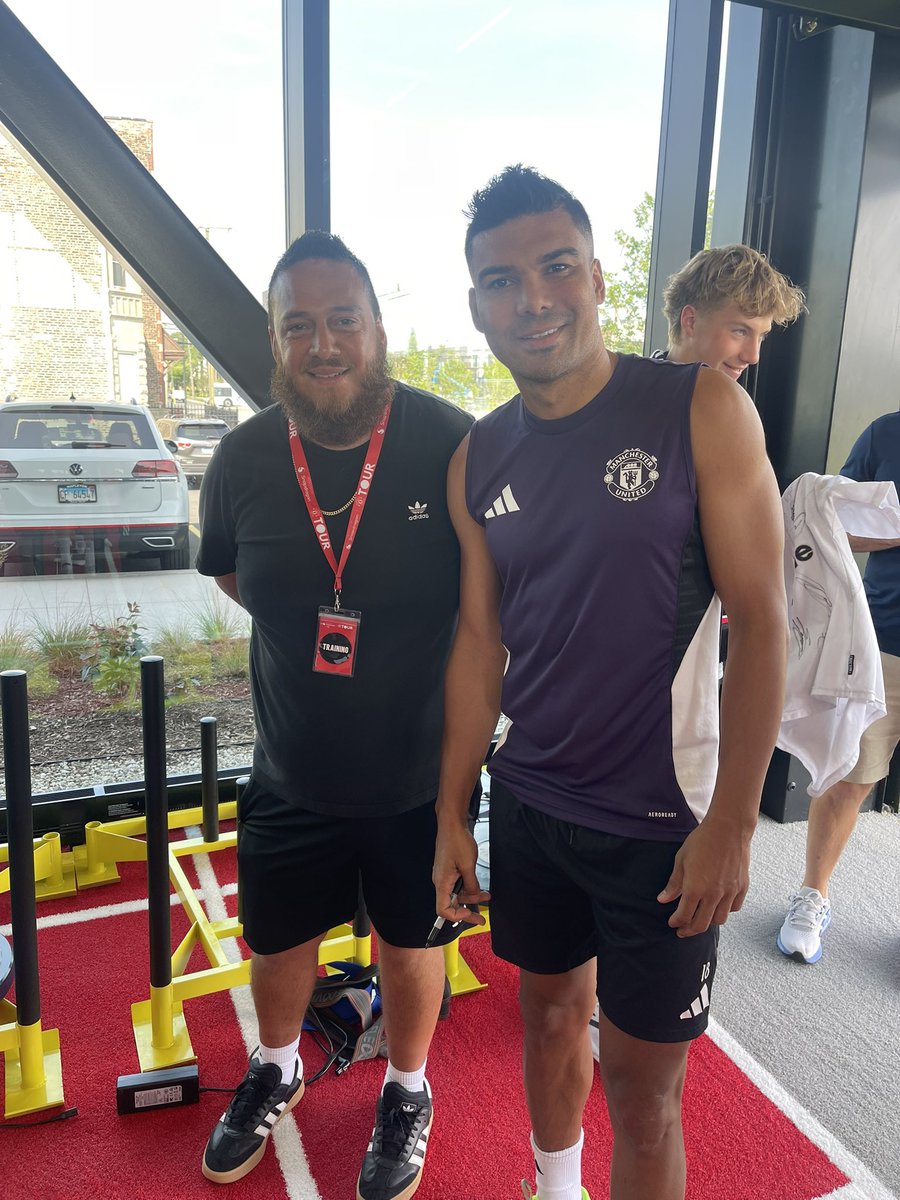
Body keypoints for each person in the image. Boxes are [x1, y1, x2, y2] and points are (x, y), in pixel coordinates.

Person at [432, 165, 788, 1200]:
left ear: (596, 275)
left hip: (662, 822)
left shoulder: (701, 407)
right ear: (476, 305)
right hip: (533, 805)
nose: (532, 299)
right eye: (502, 281)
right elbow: (478, 644)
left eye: (555, 268)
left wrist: (734, 820)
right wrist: (455, 811)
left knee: (644, 1091)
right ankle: (554, 1187)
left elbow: (763, 622)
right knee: (545, 1015)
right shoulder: (478, 457)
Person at [196, 230, 472, 1199]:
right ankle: (277, 1065)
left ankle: (407, 1086)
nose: (323, 344)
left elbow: (491, 600)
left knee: (414, 944)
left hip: (419, 776)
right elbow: (238, 573)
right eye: (299, 325)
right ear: (276, 340)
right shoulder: (239, 456)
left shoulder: (447, 441)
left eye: (342, 320)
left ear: (378, 328)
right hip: (291, 767)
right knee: (275, 944)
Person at [777, 412, 900, 964]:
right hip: (886, 638)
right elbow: (832, 521)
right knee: (848, 773)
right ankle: (813, 894)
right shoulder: (885, 432)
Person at [656, 243, 805, 382]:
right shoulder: (636, 394)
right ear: (691, 321)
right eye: (740, 332)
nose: (753, 357)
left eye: (762, 336)